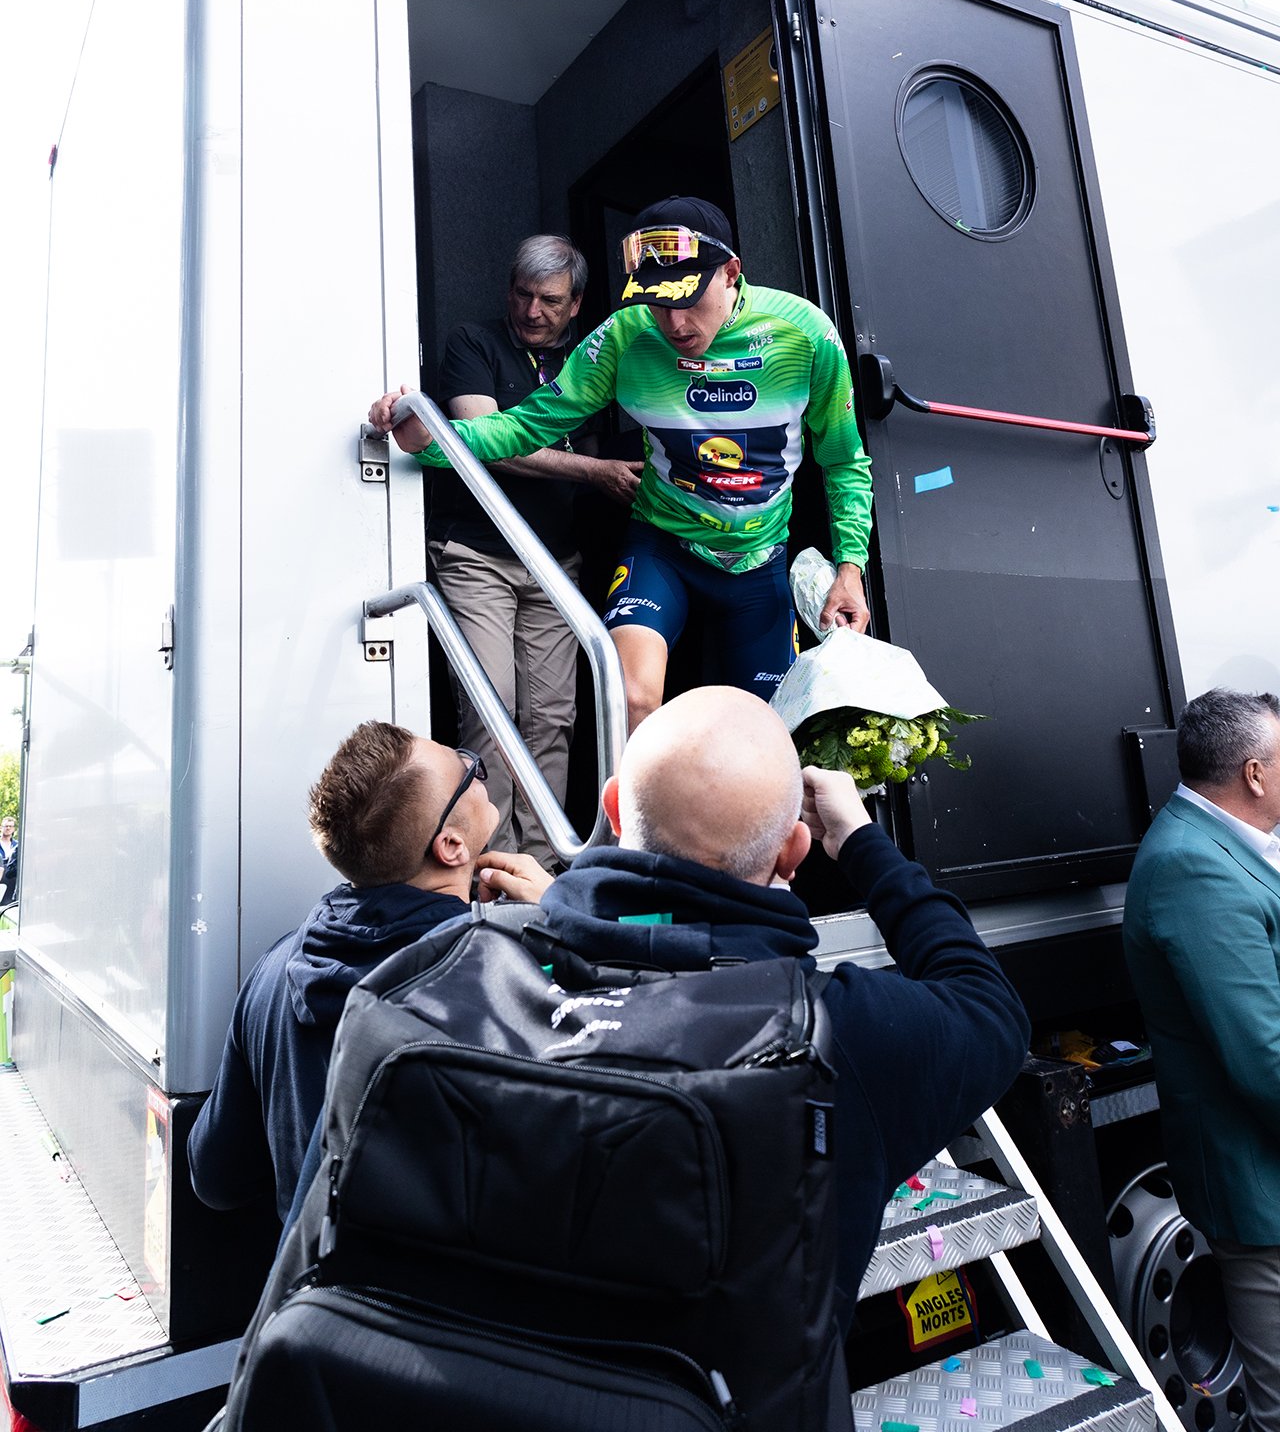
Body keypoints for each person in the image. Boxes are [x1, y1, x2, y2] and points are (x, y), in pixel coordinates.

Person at [480, 685, 1030, 1322]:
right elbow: (991, 1006)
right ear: (793, 853)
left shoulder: (482, 984)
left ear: (612, 807)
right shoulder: (839, 1035)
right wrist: (860, 841)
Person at [372, 199, 873, 732]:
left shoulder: (807, 335)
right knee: (630, 697)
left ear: (730, 273)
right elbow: (525, 425)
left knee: (769, 728)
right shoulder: (625, 334)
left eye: (688, 300)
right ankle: (629, 818)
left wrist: (850, 568)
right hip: (662, 547)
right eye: (658, 302)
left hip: (757, 558)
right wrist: (428, 440)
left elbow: (843, 460)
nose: (674, 323)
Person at [188, 720, 551, 1223]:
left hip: (315, 1294)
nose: (475, 769)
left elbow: (216, 1179)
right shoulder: (505, 975)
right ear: (450, 846)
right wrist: (563, 920)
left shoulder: (275, 970)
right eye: (467, 772)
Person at [427, 234, 642, 866]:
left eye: (549, 299)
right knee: (491, 712)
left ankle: (543, 867)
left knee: (553, 717)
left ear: (576, 305)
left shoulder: (590, 363)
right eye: (522, 294)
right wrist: (591, 472)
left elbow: (612, 446)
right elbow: (488, 443)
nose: (532, 311)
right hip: (476, 555)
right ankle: (488, 868)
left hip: (555, 563)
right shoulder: (474, 343)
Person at [1124, 688, 1280, 1432]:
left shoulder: (1229, 844)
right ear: (1254, 773)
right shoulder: (1195, 868)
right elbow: (1266, 1060)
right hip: (1263, 1191)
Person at [0, 816, 17, 905]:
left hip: (11, 880)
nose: (8, 828)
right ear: (1, 827)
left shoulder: (17, 846)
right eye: (6, 826)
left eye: (10, 826)